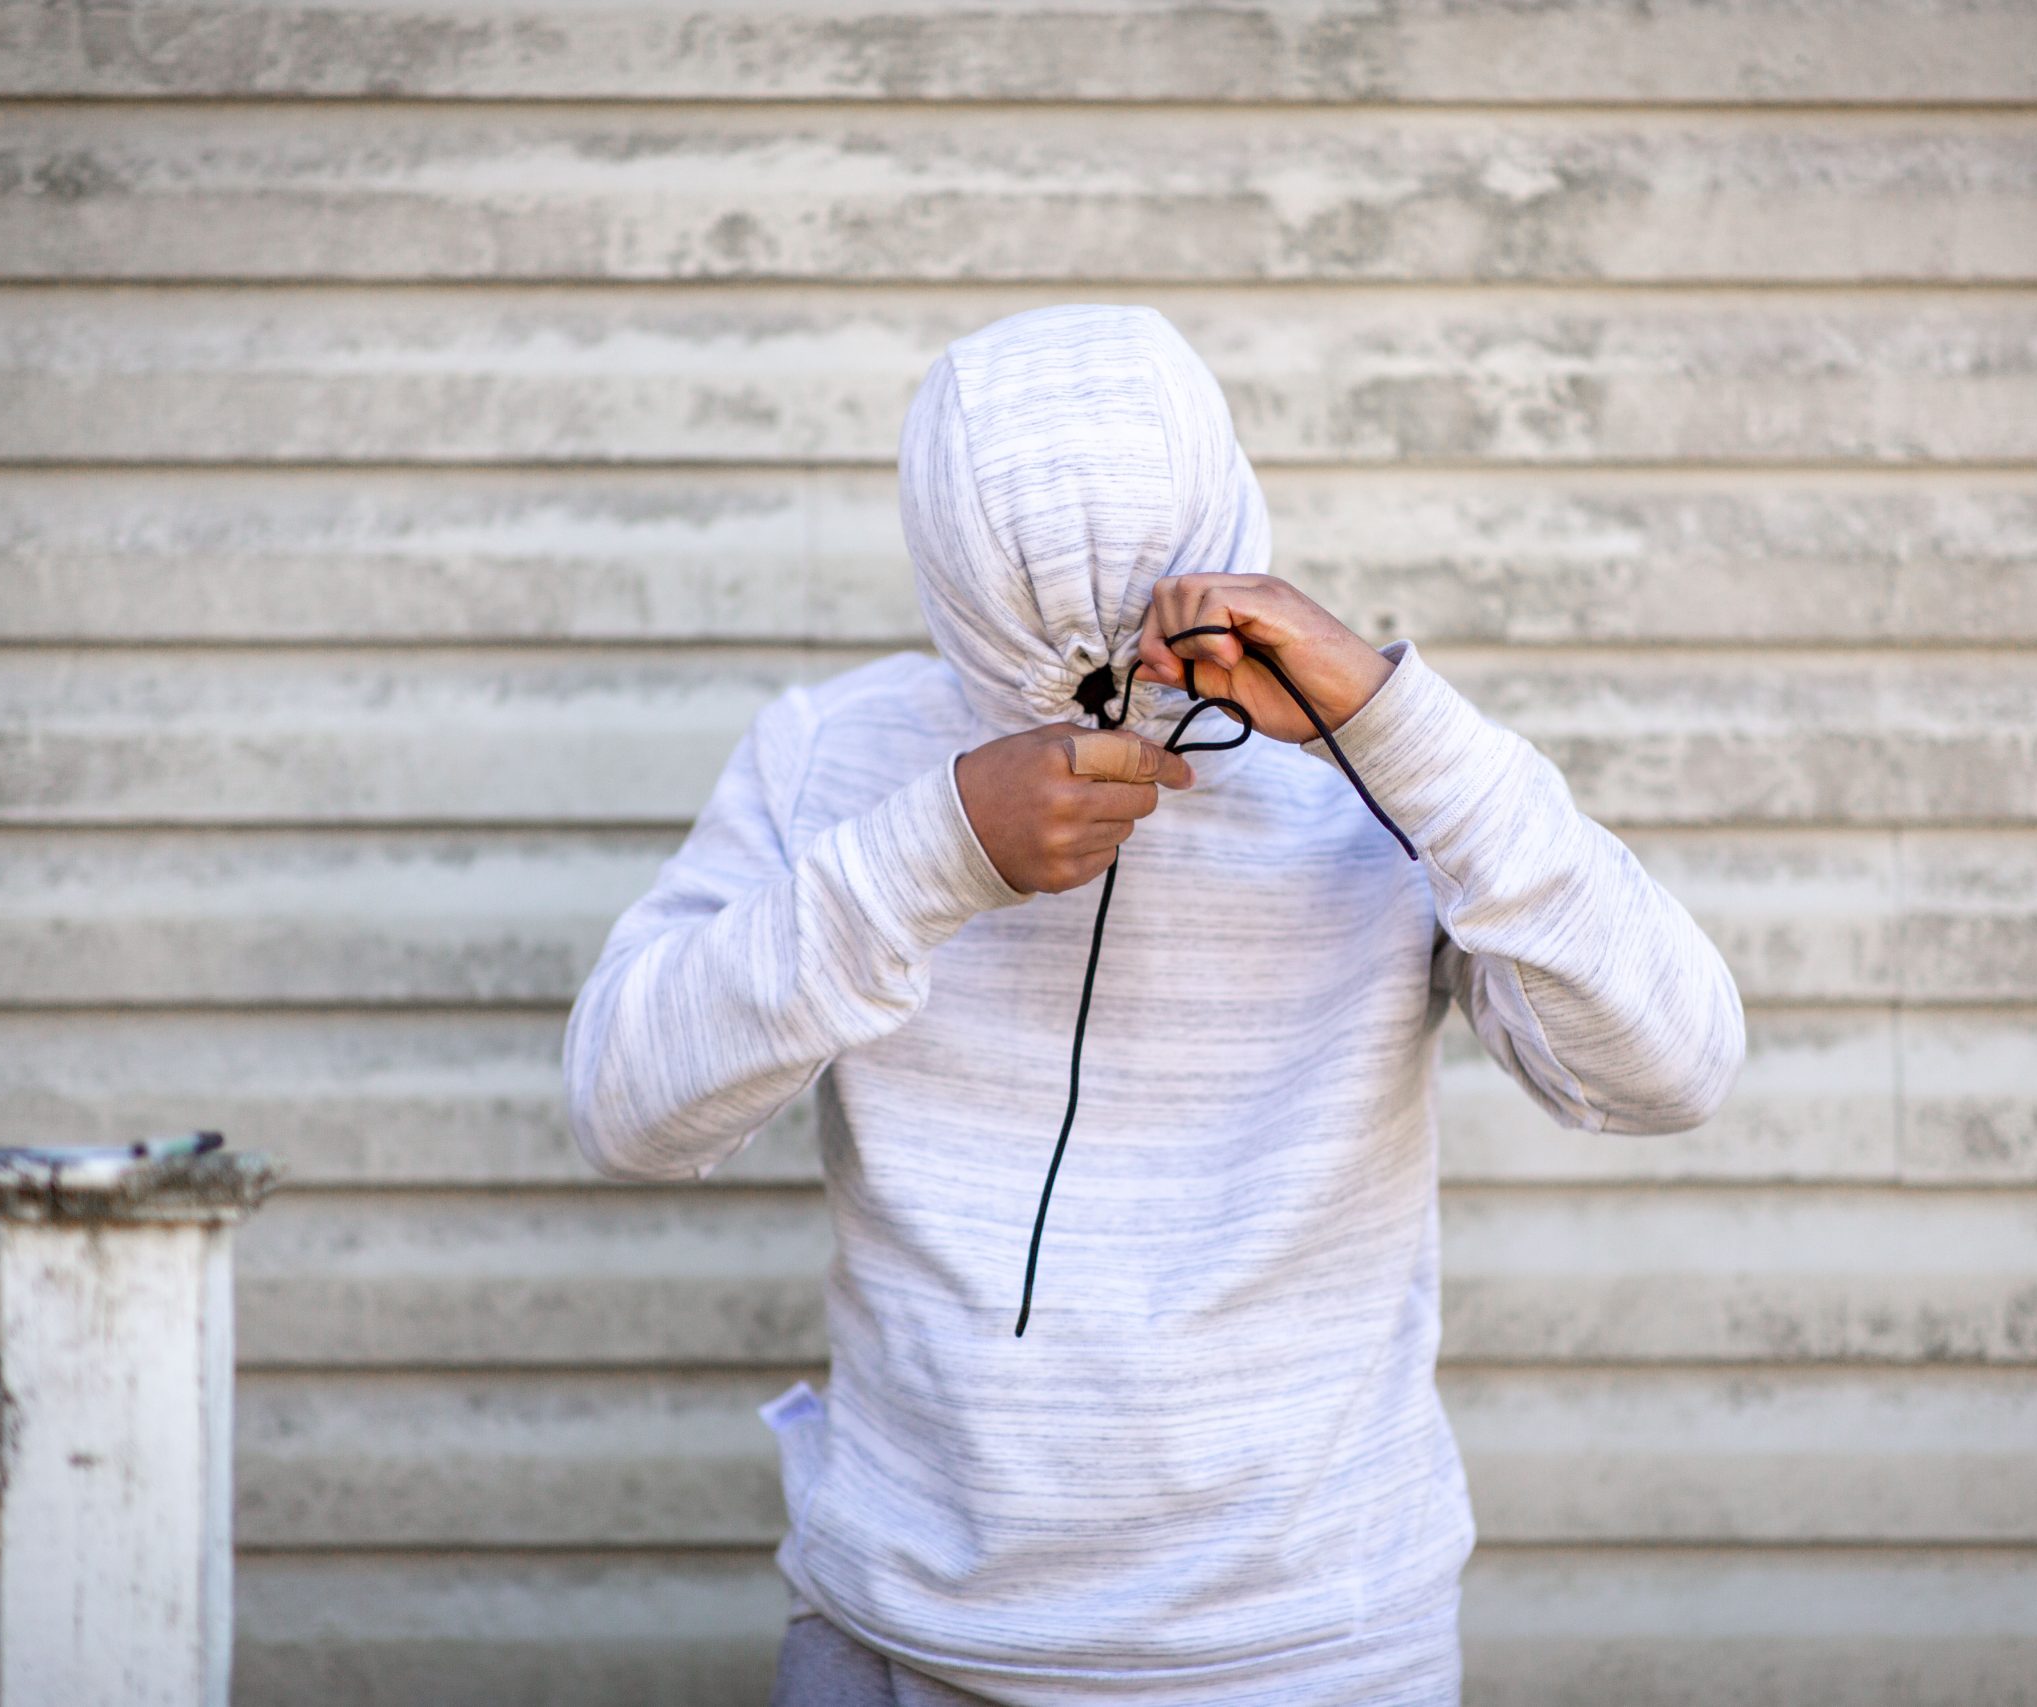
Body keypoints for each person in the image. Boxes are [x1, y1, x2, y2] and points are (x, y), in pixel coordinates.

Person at [562, 303, 1746, 1707]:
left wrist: (1397, 728)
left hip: (1317, 1655)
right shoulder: (836, 755)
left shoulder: (1392, 776)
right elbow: (621, 1108)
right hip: (902, 1644)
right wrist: (928, 854)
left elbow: (1673, 1067)